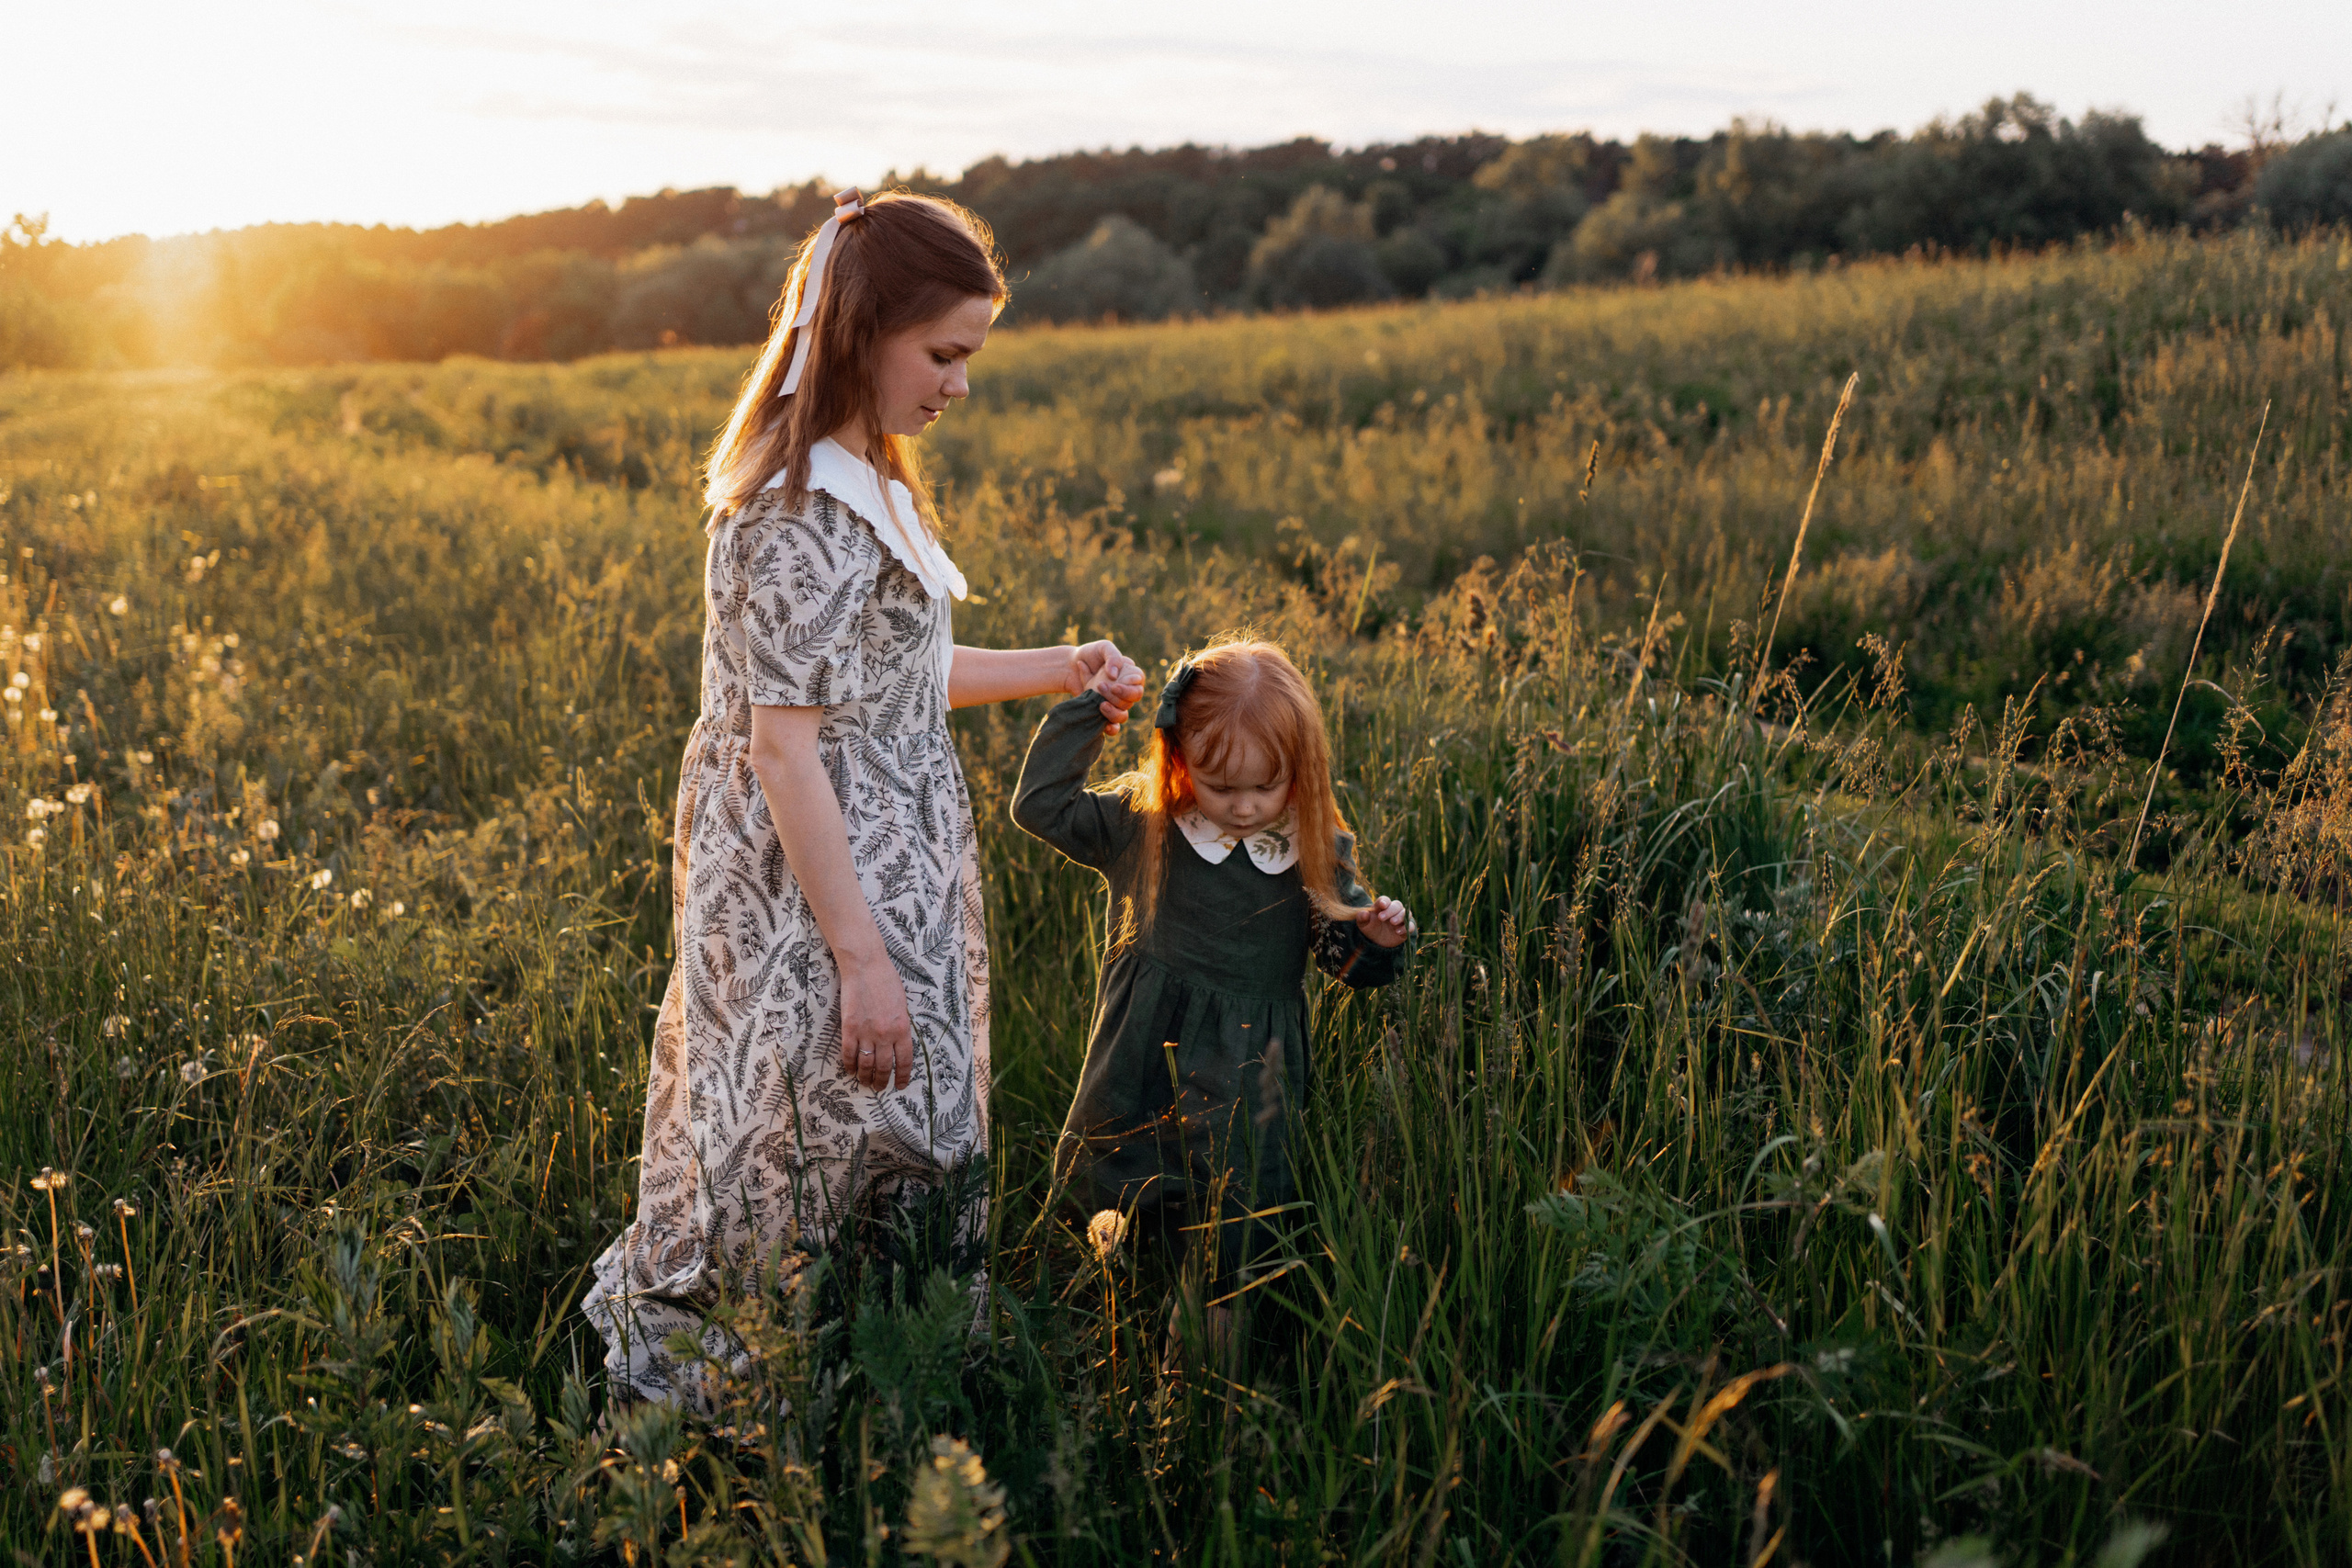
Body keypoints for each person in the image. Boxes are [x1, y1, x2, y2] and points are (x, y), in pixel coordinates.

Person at [585, 188, 1147, 1406]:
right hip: (815, 896)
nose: (959, 384)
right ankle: (777, 1399)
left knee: (895, 1132)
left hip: (891, 870)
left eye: (970, 356)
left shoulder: (869, 483)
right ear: (859, 332)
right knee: (798, 1137)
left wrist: (1060, 664)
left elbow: (894, 680)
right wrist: (863, 956)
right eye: (943, 353)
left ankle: (887, 1368)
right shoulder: (790, 516)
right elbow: (786, 755)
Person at [1011, 637, 1411, 1347]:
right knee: (1110, 1181)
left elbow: (1340, 960)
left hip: (1250, 1076)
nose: (1247, 805)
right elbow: (1040, 806)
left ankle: (1196, 1380)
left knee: (1233, 1226)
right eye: (1222, 785)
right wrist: (1091, 713)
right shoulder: (1147, 825)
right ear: (1179, 757)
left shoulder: (1311, 850)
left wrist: (1375, 941)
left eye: (1268, 785)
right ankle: (1089, 1311)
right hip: (1138, 1060)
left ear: (1302, 772)